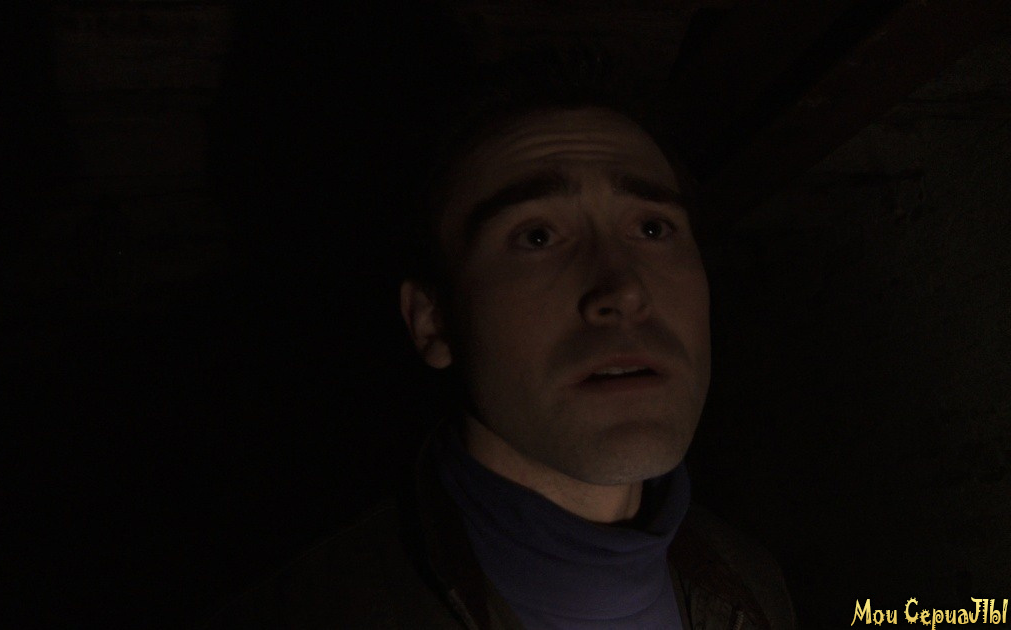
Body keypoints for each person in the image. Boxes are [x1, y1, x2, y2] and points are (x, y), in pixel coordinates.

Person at [214, 51, 797, 630]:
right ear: (433, 322)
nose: (622, 289)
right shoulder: (307, 611)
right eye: (538, 236)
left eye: (652, 228)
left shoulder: (750, 584)